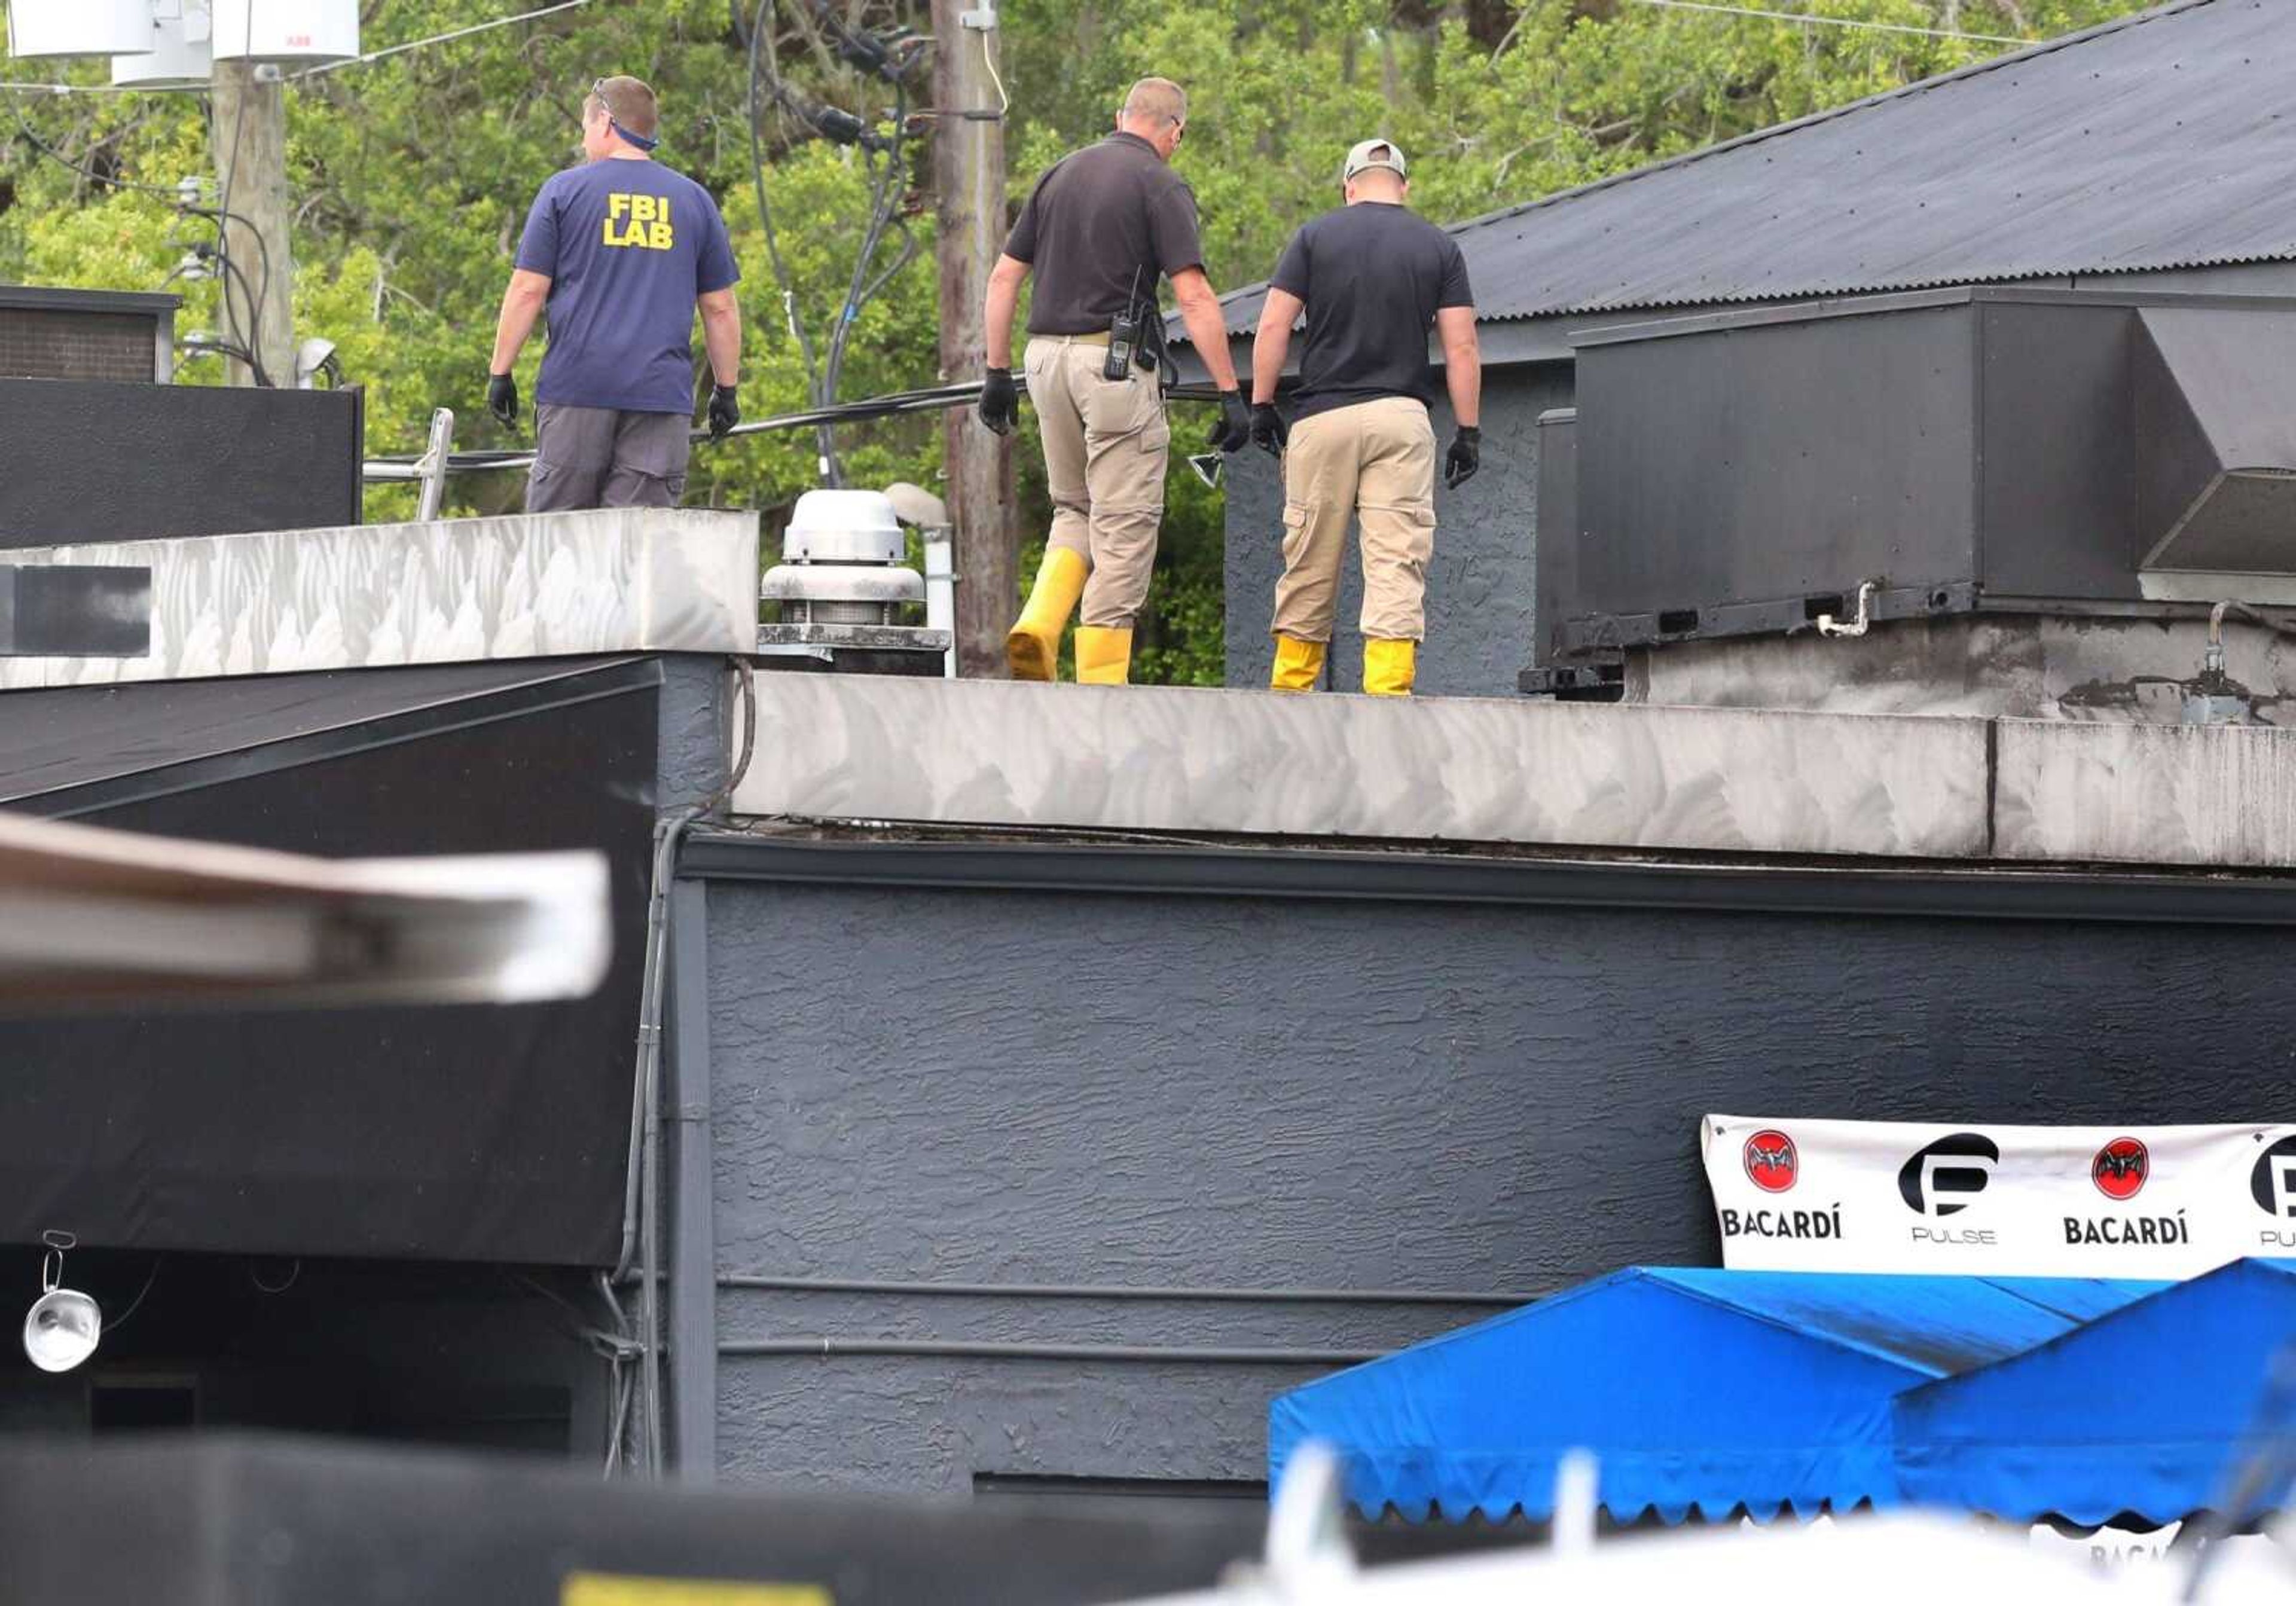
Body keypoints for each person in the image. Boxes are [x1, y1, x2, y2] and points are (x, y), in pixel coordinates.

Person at [977, 77, 1254, 686]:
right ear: (1174, 130)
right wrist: (1232, 392)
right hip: (1112, 366)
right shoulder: (1161, 183)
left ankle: (1041, 626)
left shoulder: (1058, 174)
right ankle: (1101, 684)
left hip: (1043, 362)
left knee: (1074, 506)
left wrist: (996, 374)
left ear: (1119, 115)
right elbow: (1194, 295)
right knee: (1125, 523)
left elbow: (1003, 280)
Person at [1247, 138, 1480, 697]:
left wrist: (1259, 406)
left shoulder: (1314, 237)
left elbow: (1274, 326)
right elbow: (1463, 347)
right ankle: (1388, 702)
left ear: (1349, 186)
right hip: (1401, 420)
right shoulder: (1439, 247)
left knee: (1308, 563)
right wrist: (1468, 432)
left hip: (1323, 417)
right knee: (1397, 563)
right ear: (1403, 185)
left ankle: (1290, 704)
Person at [486, 76, 743, 512]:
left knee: (558, 548)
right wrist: (726, 389)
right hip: (659, 398)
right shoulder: (693, 200)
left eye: (586, 128)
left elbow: (528, 290)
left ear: (605, 121)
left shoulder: (563, 191)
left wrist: (501, 373)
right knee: (637, 555)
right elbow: (719, 307)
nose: (585, 141)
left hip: (576, 392)